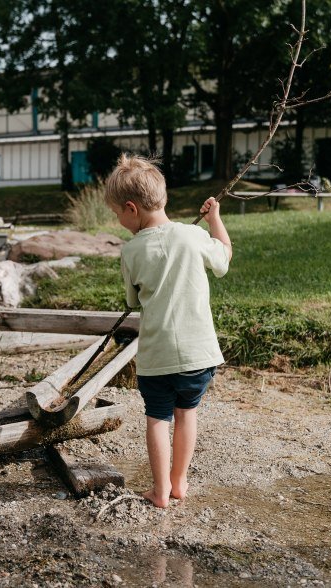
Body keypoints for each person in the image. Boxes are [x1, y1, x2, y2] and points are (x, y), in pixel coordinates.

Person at [105, 154, 232, 508]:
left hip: (157, 358)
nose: (119, 221)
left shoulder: (131, 251)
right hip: (197, 353)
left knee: (157, 419)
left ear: (131, 209)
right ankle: (179, 483)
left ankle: (159, 491)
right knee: (186, 415)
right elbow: (222, 259)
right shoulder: (193, 235)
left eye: (118, 215)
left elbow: (133, 300)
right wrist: (215, 220)